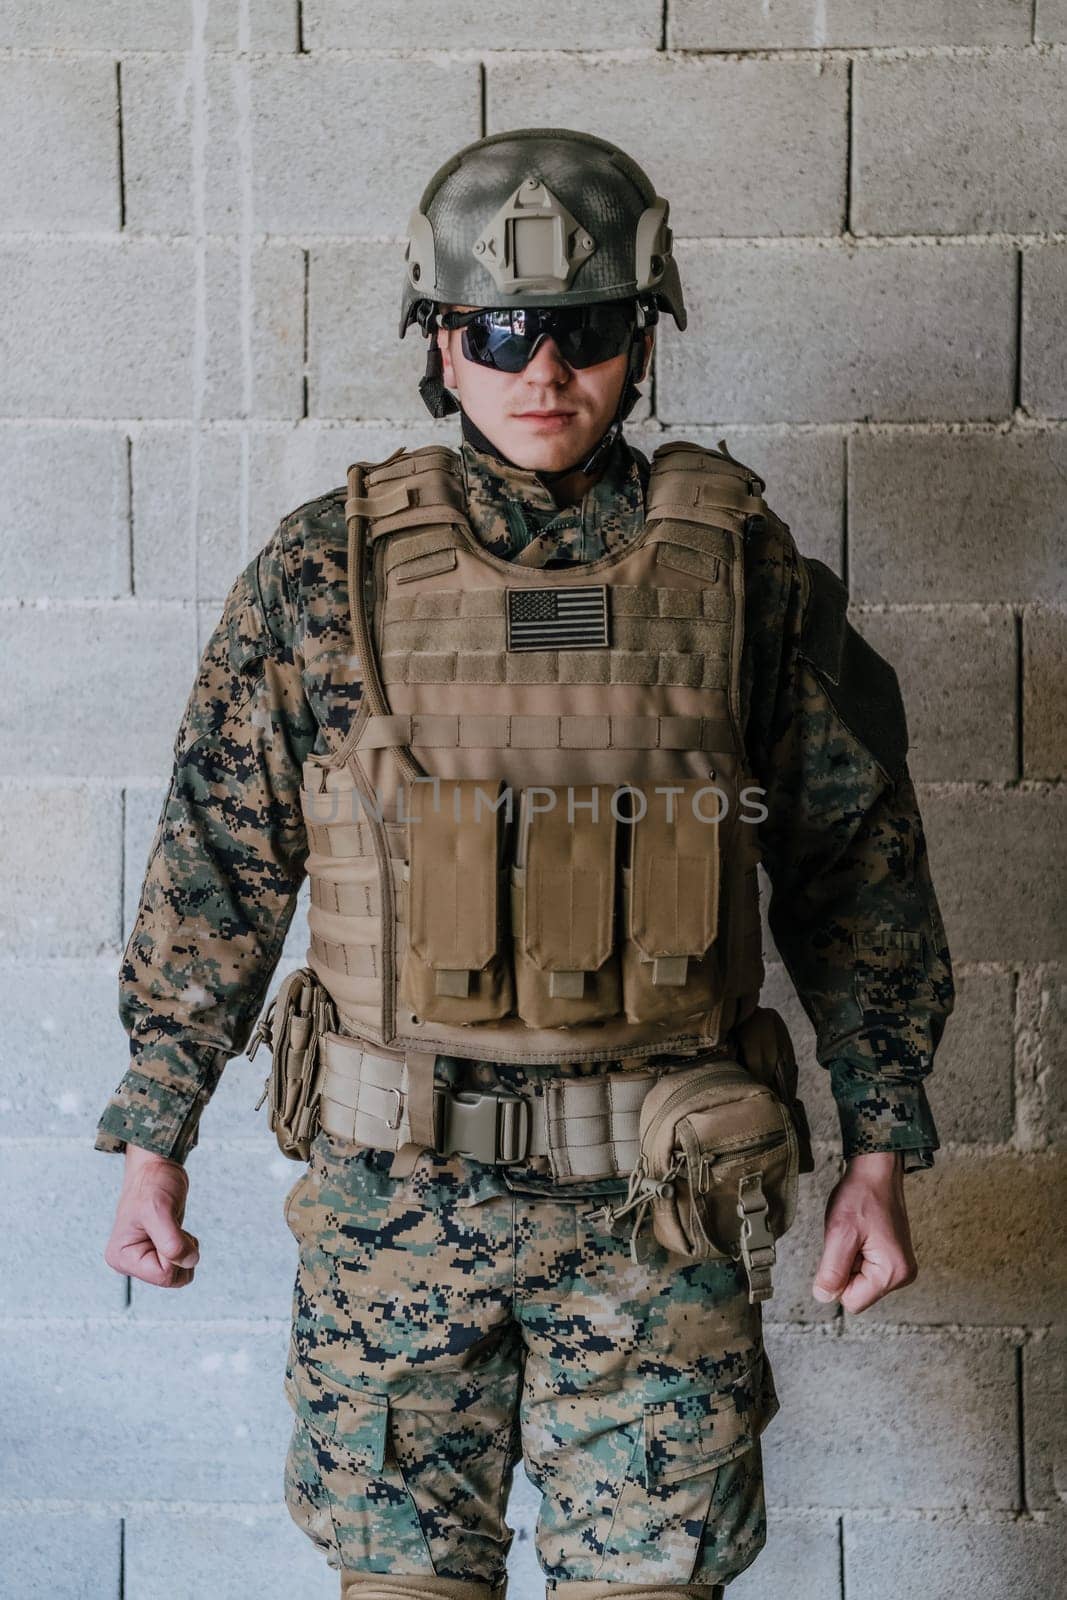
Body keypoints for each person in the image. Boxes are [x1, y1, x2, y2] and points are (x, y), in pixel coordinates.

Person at [99, 128, 955, 1599]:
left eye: (588, 329)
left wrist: (881, 1146)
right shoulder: (325, 571)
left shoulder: (744, 573)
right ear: (441, 339)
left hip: (659, 1207)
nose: (541, 370)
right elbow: (215, 863)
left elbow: (854, 864)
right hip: (395, 1202)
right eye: (499, 330)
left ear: (645, 334)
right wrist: (153, 1130)